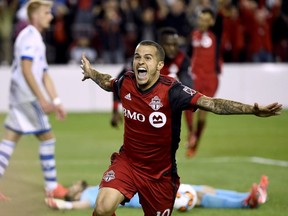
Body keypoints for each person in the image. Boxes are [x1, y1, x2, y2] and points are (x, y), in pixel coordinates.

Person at [80, 40, 282, 216]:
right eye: (137, 57)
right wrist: (91, 73)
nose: (141, 61)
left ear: (159, 65)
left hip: (160, 175)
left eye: (148, 58)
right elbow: (107, 82)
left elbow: (212, 104)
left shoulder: (172, 91)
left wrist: (251, 110)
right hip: (129, 164)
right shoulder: (126, 82)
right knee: (103, 207)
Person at [0, 0, 67, 201]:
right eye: (47, 13)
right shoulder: (31, 38)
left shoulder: (32, 36)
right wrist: (42, 100)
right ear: (36, 16)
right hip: (27, 97)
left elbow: (44, 73)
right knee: (47, 137)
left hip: (19, 96)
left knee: (10, 139)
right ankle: (52, 187)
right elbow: (26, 69)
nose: (51, 16)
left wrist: (55, 100)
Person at [110, 27, 194, 141]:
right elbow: (119, 82)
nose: (172, 48)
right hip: (141, 107)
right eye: (168, 45)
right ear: (160, 46)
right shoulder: (142, 60)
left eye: (175, 44)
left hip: (163, 107)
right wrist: (115, 110)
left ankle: (191, 134)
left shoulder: (182, 59)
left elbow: (188, 86)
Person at [45, 175, 269, 210]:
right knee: (197, 196)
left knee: (202, 188)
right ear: (73, 195)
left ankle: (249, 194)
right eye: (70, 188)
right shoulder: (89, 197)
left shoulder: (95, 188)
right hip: (151, 199)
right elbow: (82, 206)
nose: (74, 184)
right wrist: (61, 204)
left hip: (152, 188)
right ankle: (245, 203)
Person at [186, 7, 223, 157]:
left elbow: (222, 18)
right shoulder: (194, 35)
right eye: (201, 19)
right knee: (187, 106)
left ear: (212, 22)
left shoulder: (216, 35)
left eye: (206, 20)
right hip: (194, 77)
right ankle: (191, 134)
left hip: (210, 79)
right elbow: (189, 53)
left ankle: (195, 143)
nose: (203, 22)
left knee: (202, 114)